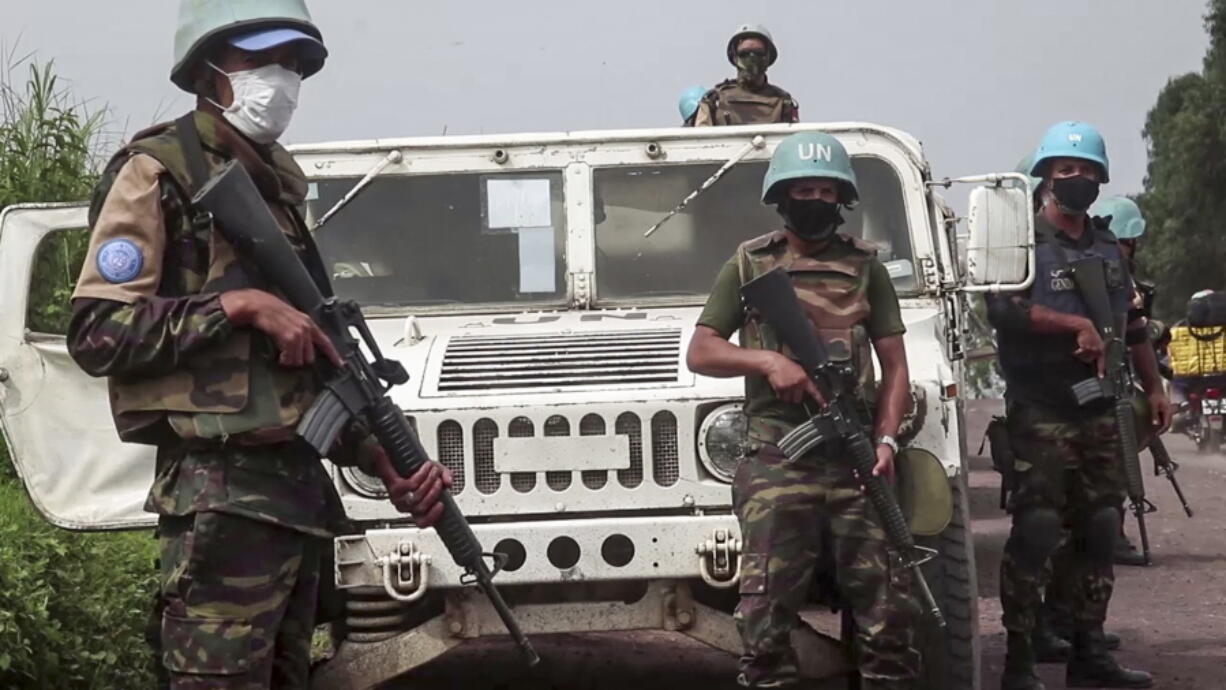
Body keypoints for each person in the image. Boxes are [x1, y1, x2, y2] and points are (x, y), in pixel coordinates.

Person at [66, 1, 452, 686]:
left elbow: (298, 382)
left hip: (292, 499)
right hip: (221, 498)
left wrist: (376, 457)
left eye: (295, 64)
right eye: (262, 60)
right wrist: (237, 306)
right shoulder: (157, 174)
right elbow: (97, 333)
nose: (283, 78)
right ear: (208, 71)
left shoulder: (273, 186)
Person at [687, 131, 919, 690]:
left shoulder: (867, 268)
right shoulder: (750, 264)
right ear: (780, 196)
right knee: (764, 619)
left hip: (854, 461)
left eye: (825, 190)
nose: (814, 199)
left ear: (841, 200)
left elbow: (897, 369)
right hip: (776, 459)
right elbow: (701, 349)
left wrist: (885, 442)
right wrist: (767, 361)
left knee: (888, 616)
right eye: (802, 189)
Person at [988, 122, 1171, 690]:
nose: (1077, 180)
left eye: (1088, 172)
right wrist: (1075, 325)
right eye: (1067, 171)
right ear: (1045, 178)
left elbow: (1133, 324)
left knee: (1099, 526)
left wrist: (1155, 387)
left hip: (1099, 409)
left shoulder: (1107, 248)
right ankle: (1020, 658)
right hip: (1041, 408)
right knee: (1038, 528)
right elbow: (1004, 312)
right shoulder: (1020, 245)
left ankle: (1088, 649)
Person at [693, 24, 800, 127]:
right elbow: (699, 141)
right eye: (745, 54)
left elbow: (793, 140)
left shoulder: (783, 102)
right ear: (735, 57)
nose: (751, 59)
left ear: (768, 57)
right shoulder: (714, 100)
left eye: (758, 53)